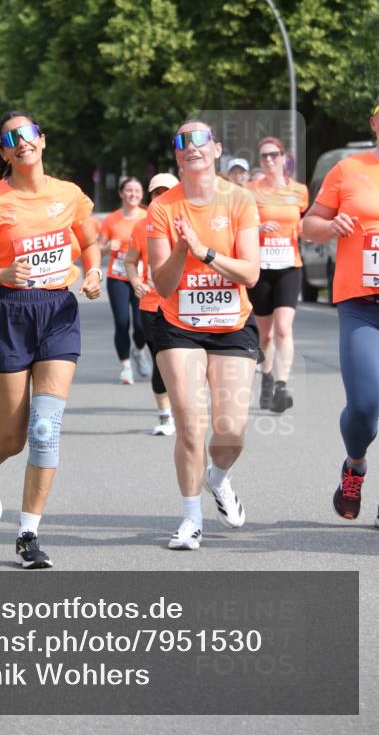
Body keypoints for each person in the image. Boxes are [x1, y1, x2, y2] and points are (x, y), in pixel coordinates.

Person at [0, 110, 102, 568]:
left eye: (28, 133)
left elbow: (91, 243)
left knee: (44, 429)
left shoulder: (69, 194)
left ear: (42, 139)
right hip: (8, 314)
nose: (22, 142)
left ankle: (28, 535)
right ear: (4, 151)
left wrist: (94, 271)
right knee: (14, 436)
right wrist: (1, 272)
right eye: (11, 138)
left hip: (57, 312)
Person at [147, 120, 260, 550]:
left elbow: (250, 272)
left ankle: (219, 478)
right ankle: (191, 519)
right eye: (181, 141)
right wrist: (181, 248)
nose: (190, 146)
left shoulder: (240, 200)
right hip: (178, 326)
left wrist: (206, 253)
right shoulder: (163, 208)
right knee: (191, 427)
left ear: (216, 150)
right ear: (177, 155)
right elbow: (163, 286)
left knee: (230, 432)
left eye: (199, 140)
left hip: (232, 325)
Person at [302, 100, 379, 526]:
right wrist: (330, 226)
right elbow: (307, 224)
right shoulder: (348, 170)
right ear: (374, 122)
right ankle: (355, 465)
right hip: (362, 304)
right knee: (366, 406)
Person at [248, 136, 309, 412]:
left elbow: (302, 225)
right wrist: (258, 230)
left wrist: (305, 233)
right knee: (265, 336)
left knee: (284, 328)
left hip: (289, 265)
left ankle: (282, 387)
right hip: (260, 268)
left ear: (285, 158)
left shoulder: (300, 191)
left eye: (274, 155)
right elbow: (241, 227)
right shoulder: (250, 190)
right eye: (264, 156)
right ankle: (267, 377)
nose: (269, 160)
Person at [125, 173, 178, 436]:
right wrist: (135, 281)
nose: (162, 197)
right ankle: (165, 415)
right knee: (161, 361)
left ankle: (184, 410)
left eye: (167, 192)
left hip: (183, 304)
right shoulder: (141, 226)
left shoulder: (187, 222)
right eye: (157, 193)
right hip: (151, 305)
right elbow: (130, 261)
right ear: (151, 197)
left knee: (182, 362)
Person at [99, 177, 151, 384]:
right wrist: (106, 247)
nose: (133, 194)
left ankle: (138, 350)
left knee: (141, 326)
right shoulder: (112, 220)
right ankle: (126, 367)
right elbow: (97, 249)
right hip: (118, 277)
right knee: (122, 323)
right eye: (128, 190)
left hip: (141, 278)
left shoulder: (147, 217)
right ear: (121, 193)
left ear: (142, 194)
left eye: (137, 191)